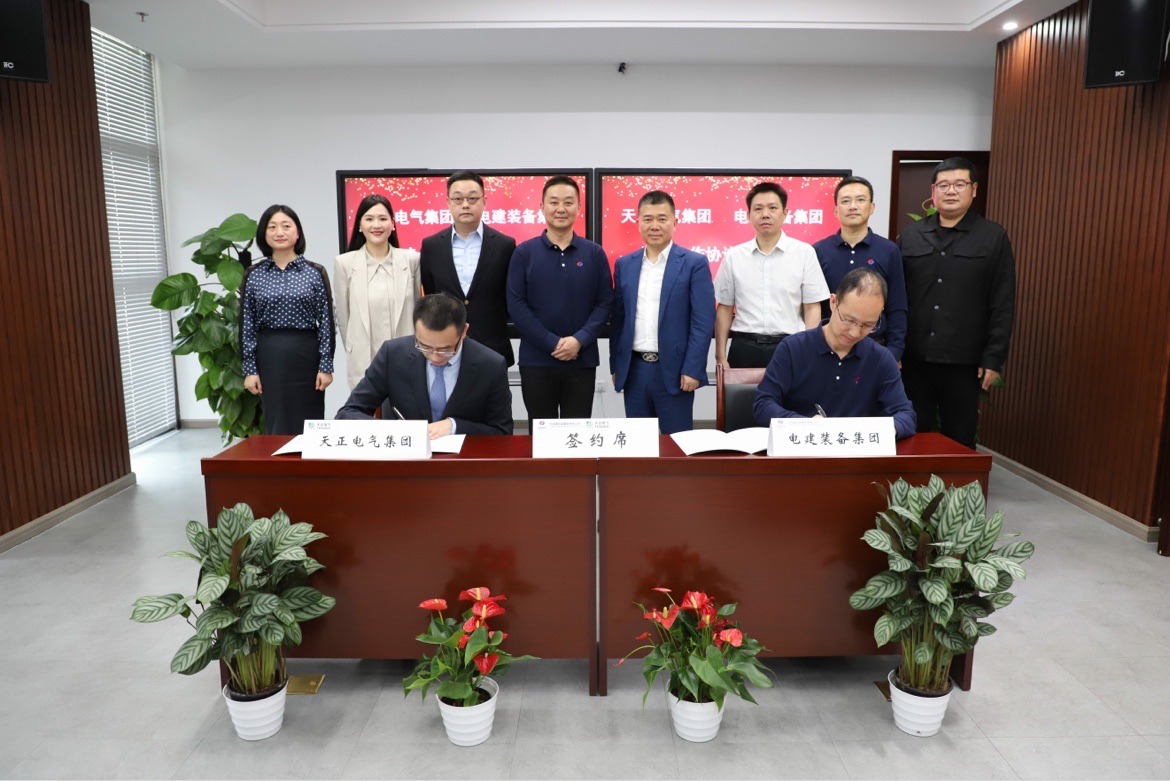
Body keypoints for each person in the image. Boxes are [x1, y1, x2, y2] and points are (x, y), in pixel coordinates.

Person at [897, 157, 1016, 449]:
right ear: (933, 191)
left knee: (960, 437)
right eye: (944, 185)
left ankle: (955, 483)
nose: (951, 191)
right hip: (914, 359)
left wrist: (993, 358)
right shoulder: (911, 235)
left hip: (964, 361)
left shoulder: (992, 237)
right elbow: (897, 298)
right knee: (912, 433)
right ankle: (915, 482)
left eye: (959, 184)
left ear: (973, 189)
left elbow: (1002, 302)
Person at [753, 268, 916, 439]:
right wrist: (802, 424)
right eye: (849, 320)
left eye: (868, 325)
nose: (854, 332)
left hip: (856, 450)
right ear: (833, 302)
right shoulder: (793, 349)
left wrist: (887, 430)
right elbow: (763, 404)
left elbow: (906, 414)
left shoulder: (880, 358)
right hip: (802, 446)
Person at [506, 176, 613, 427]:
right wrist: (551, 342)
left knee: (577, 433)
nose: (561, 209)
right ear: (542, 207)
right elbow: (516, 305)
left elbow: (605, 303)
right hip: (536, 361)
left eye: (568, 202)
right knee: (540, 433)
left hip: (581, 359)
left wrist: (579, 340)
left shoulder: (594, 253)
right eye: (554, 202)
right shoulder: (524, 253)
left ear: (578, 207)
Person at [610, 190, 716, 435]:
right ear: (638, 223)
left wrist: (692, 368)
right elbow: (619, 320)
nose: (654, 226)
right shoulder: (625, 264)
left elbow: (702, 322)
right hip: (635, 370)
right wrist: (616, 365)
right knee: (638, 445)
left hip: (676, 371)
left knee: (677, 445)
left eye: (662, 218)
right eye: (647, 219)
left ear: (675, 222)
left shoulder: (694, 263)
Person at [336, 293, 512, 437]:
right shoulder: (393, 354)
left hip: (464, 462)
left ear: (464, 331)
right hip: (407, 461)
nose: (435, 357)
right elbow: (347, 414)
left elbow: (502, 431)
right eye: (425, 347)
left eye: (445, 349)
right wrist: (394, 430)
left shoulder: (491, 365)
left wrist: (454, 426)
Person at [714, 182, 829, 369]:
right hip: (744, 348)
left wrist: (810, 352)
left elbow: (811, 308)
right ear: (748, 215)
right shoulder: (734, 256)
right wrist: (720, 357)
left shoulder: (804, 253)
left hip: (790, 346)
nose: (765, 214)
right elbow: (725, 309)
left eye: (773, 208)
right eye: (758, 209)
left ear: (785, 213)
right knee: (740, 391)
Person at [241, 204, 334, 435]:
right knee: (277, 420)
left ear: (297, 232)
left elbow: (326, 322)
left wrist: (325, 365)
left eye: (286, 226)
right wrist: (250, 369)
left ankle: (310, 458)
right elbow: (247, 324)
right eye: (272, 227)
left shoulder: (315, 272)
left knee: (310, 421)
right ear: (264, 233)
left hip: (307, 354)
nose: (279, 232)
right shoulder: (254, 274)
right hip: (270, 355)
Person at [420, 171, 518, 366]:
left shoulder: (505, 245)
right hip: (446, 350)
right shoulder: (431, 246)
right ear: (448, 202)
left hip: (492, 349)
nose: (465, 204)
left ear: (484, 201)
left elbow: (509, 297)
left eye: (472, 198)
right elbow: (432, 294)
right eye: (458, 199)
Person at [813, 175, 908, 363]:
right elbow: (813, 306)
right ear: (835, 210)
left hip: (875, 347)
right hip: (828, 349)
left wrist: (894, 352)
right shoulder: (818, 251)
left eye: (860, 200)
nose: (853, 206)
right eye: (845, 201)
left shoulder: (889, 251)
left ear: (872, 207)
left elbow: (897, 306)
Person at [334, 194, 421, 390]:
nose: (376, 225)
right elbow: (343, 317)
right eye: (369, 219)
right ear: (359, 225)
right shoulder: (344, 263)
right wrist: (354, 347)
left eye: (383, 218)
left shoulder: (412, 260)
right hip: (363, 358)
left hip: (406, 357)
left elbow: (417, 310)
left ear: (393, 224)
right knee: (366, 407)